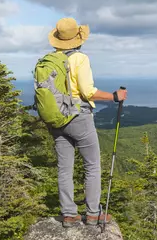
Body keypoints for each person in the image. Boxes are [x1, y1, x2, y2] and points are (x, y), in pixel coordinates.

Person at [47, 17, 127, 228]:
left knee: (65, 168)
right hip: (78, 117)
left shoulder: (50, 60)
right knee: (92, 165)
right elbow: (87, 91)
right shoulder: (79, 58)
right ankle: (93, 214)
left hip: (56, 118)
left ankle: (69, 215)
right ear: (78, 39)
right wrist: (114, 96)